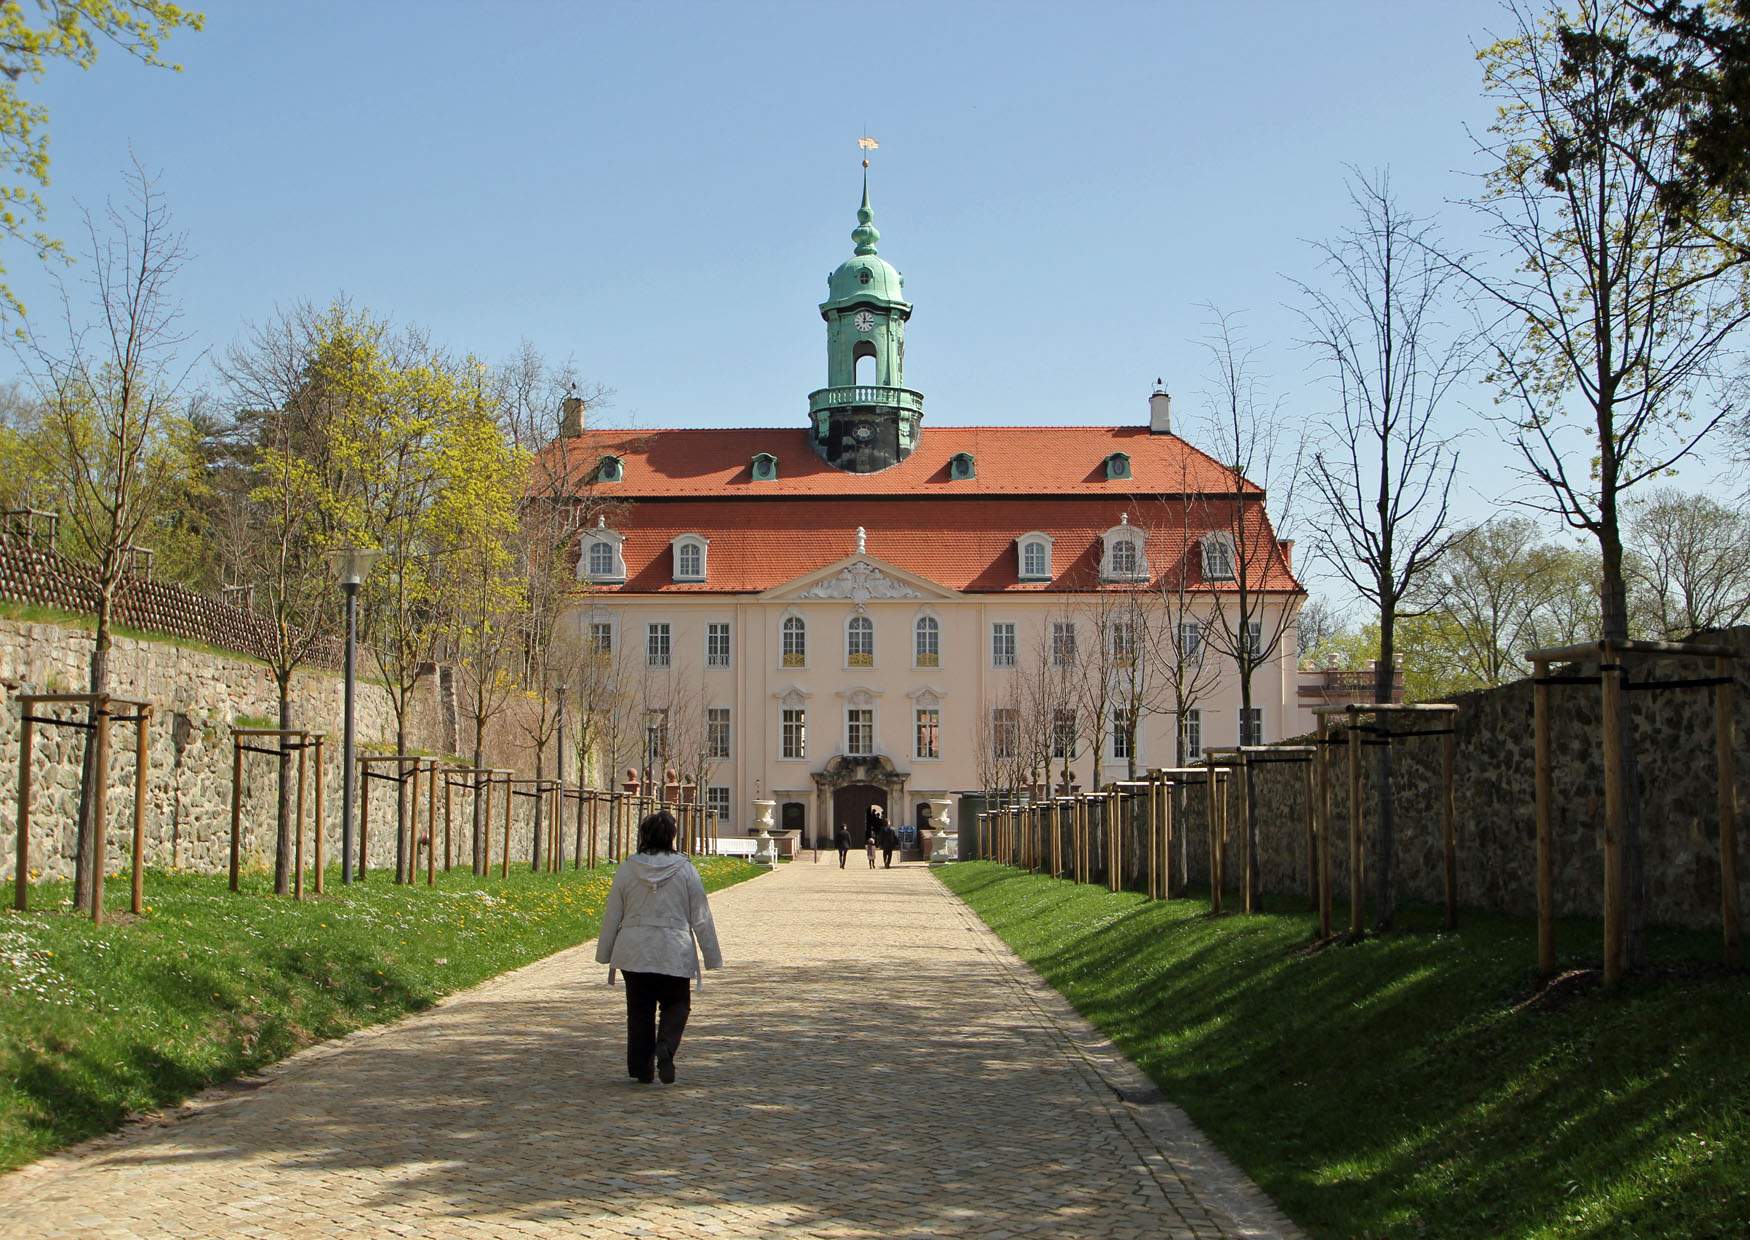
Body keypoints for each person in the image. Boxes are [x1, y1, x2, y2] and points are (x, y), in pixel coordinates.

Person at [596, 810, 723, 1085]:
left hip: (634, 950)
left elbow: (613, 913)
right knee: (676, 1004)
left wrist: (604, 952)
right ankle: (665, 1045)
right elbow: (700, 915)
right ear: (672, 837)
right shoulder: (686, 870)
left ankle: (642, 1068)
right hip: (673, 949)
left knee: (639, 1009)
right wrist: (712, 956)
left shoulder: (628, 868)